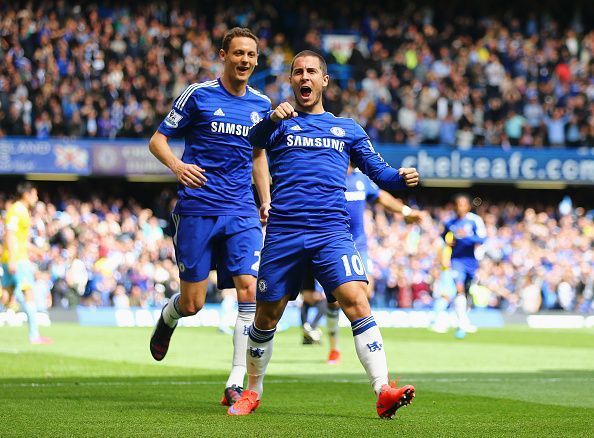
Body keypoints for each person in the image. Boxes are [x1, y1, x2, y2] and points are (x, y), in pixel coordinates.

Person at [228, 50, 418, 418]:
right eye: (297, 72)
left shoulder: (347, 128)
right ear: (291, 80)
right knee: (267, 316)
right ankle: (252, 391)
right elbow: (251, 142)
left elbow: (380, 173)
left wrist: (403, 178)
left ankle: (383, 390)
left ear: (324, 80)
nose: (304, 77)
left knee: (357, 301)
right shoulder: (280, 122)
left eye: (311, 71)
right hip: (284, 233)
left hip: (331, 232)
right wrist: (270, 118)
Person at [147, 27, 272, 406]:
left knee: (249, 289)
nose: (245, 60)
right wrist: (177, 166)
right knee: (193, 304)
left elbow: (258, 156)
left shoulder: (261, 104)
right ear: (223, 55)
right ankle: (168, 318)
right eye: (238, 53)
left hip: (241, 209)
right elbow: (157, 140)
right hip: (198, 207)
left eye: (251, 54)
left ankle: (235, 380)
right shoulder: (198, 95)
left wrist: (265, 199)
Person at [1, 182, 52, 344]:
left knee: (6, 296)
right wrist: (14, 260)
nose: (36, 198)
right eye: (35, 194)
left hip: (14, 257)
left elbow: (20, 240)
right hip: (17, 259)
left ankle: (34, 335)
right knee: (28, 293)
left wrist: (37, 251)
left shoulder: (21, 211)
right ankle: (34, 335)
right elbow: (9, 235)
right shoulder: (17, 210)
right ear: (26, 194)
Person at [441, 194, 487, 338]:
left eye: (463, 204)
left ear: (468, 206)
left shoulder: (475, 221)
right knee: (459, 288)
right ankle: (461, 325)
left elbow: (482, 238)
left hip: (471, 262)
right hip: (457, 260)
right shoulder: (450, 222)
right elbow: (443, 235)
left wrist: (465, 236)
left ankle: (464, 320)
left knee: (467, 291)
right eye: (458, 204)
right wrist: (448, 242)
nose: (460, 207)